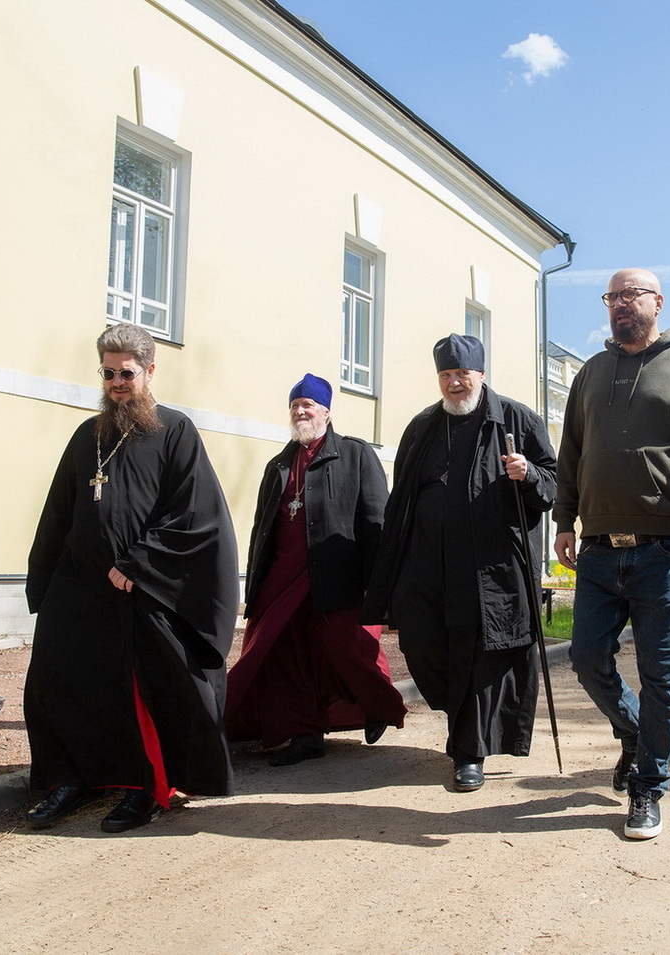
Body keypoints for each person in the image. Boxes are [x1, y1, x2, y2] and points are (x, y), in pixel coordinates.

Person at [24, 323, 240, 833]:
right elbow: (59, 510)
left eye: (126, 373)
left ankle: (145, 788)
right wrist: (47, 581)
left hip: (142, 587)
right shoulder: (87, 436)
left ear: (149, 371)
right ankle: (72, 779)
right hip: (81, 584)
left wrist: (137, 564)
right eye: (108, 374)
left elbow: (195, 512)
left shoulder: (175, 430)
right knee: (60, 676)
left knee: (143, 691)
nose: (117, 383)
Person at [555, 268, 670, 841]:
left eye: (630, 295)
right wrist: (563, 520)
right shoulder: (591, 372)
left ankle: (648, 787)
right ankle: (634, 731)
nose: (619, 304)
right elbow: (570, 452)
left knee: (663, 676)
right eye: (612, 296)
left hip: (664, 549)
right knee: (586, 658)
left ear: (658, 302)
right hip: (598, 548)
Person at [362, 334, 557, 794]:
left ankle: (468, 751)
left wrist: (528, 474)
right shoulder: (422, 426)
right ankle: (463, 723)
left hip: (487, 568)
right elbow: (403, 496)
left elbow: (554, 485)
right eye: (446, 375)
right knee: (422, 643)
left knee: (475, 657)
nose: (454, 383)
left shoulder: (516, 420)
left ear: (481, 375)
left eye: (462, 374)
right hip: (426, 563)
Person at [225, 374, 406, 766]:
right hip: (283, 578)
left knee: (347, 647)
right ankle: (305, 734)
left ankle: (376, 705)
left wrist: (379, 584)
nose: (300, 412)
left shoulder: (355, 455)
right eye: (295, 406)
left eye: (308, 405)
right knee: (286, 653)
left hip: (339, 575)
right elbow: (261, 529)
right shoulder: (278, 464)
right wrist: (255, 583)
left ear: (326, 411)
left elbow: (377, 521)